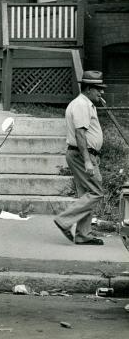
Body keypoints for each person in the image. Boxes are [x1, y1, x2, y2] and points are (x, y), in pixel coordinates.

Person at [53, 70, 106, 245]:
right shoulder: (82, 105)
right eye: (98, 89)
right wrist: (87, 160)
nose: (101, 92)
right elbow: (80, 134)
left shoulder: (85, 103)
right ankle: (64, 220)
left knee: (87, 194)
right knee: (96, 192)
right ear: (89, 88)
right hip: (82, 154)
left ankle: (83, 235)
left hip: (83, 153)